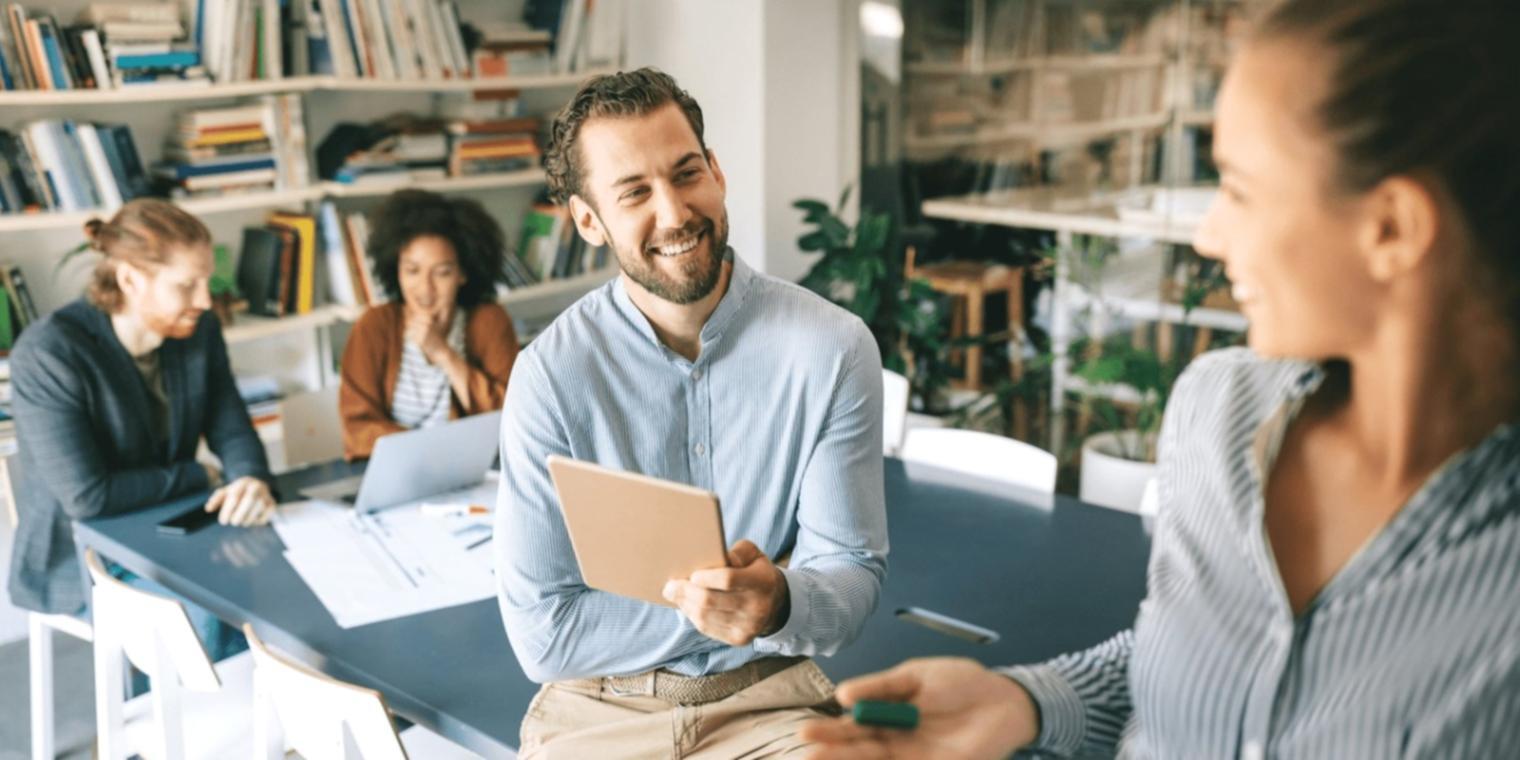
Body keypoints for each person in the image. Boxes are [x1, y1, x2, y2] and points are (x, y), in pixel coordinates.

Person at [803, 1, 1520, 758]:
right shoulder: (1218, 412)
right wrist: (1026, 700)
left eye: (1239, 189)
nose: (1209, 237)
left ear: (1394, 228)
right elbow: (1183, 663)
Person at [495, 68, 888, 758]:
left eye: (686, 174)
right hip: (599, 709)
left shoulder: (833, 348)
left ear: (717, 172)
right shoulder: (549, 377)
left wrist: (781, 606)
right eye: (635, 193)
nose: (675, 213)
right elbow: (545, 635)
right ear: (589, 221)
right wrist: (760, 603)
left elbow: (851, 577)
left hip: (770, 704)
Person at [7, 198, 277, 659]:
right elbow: (88, 497)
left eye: (206, 282)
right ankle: (182, 722)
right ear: (130, 279)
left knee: (286, 595)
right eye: (187, 285)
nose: (205, 300)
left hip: (178, 532)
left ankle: (260, 716)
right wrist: (205, 476)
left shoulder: (198, 331)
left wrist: (249, 477)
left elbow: (231, 427)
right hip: (81, 556)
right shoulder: (50, 352)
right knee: (203, 623)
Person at [338, 189, 519, 459]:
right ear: (395, 270)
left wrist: (443, 354)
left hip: (472, 468)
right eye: (412, 270)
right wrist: (426, 452)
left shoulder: (489, 321)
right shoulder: (375, 325)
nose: (425, 288)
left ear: (463, 273)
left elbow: (512, 418)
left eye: (442, 272)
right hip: (398, 467)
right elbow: (357, 429)